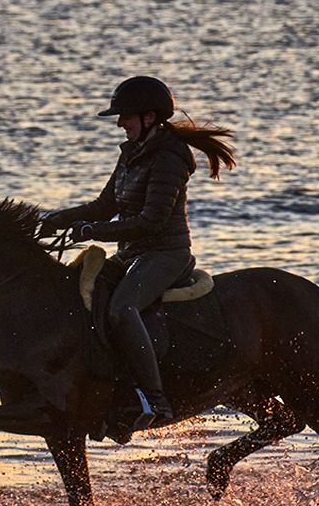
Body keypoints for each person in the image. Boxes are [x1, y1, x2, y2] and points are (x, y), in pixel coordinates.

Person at [40, 76, 236, 430]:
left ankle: (155, 400)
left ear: (149, 117)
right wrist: (56, 219)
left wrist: (92, 231)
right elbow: (105, 205)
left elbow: (152, 221)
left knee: (122, 308)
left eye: (125, 116)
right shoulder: (132, 154)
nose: (119, 123)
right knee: (83, 296)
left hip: (165, 255)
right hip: (132, 255)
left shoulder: (169, 159)